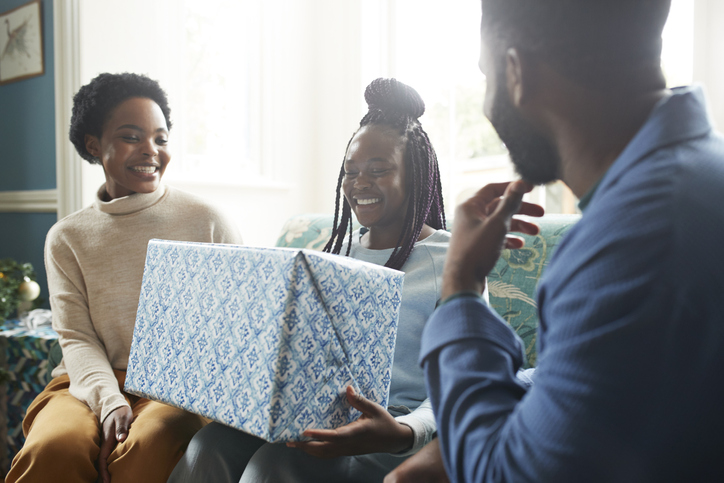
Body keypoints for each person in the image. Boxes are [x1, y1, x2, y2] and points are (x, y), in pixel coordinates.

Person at [407, 0, 724, 482]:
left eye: (486, 75)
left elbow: (503, 476)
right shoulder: (697, 177)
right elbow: (605, 372)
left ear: (516, 71)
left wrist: (461, 285)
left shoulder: (633, 241)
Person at [168, 77, 449, 483]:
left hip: (400, 431)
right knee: (208, 445)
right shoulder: (334, 256)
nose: (359, 184)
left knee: (273, 468)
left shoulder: (453, 260)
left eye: (379, 170)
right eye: (350, 172)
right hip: (321, 417)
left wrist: (403, 431)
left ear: (418, 174)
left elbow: (464, 384)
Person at [7, 73, 243, 483]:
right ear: (94, 145)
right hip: (85, 382)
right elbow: (77, 339)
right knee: (52, 449)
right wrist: (109, 401)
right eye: (132, 136)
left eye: (161, 138)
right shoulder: (66, 237)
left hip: (176, 392)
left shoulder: (207, 221)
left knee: (147, 449)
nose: (151, 151)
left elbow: (240, 325)